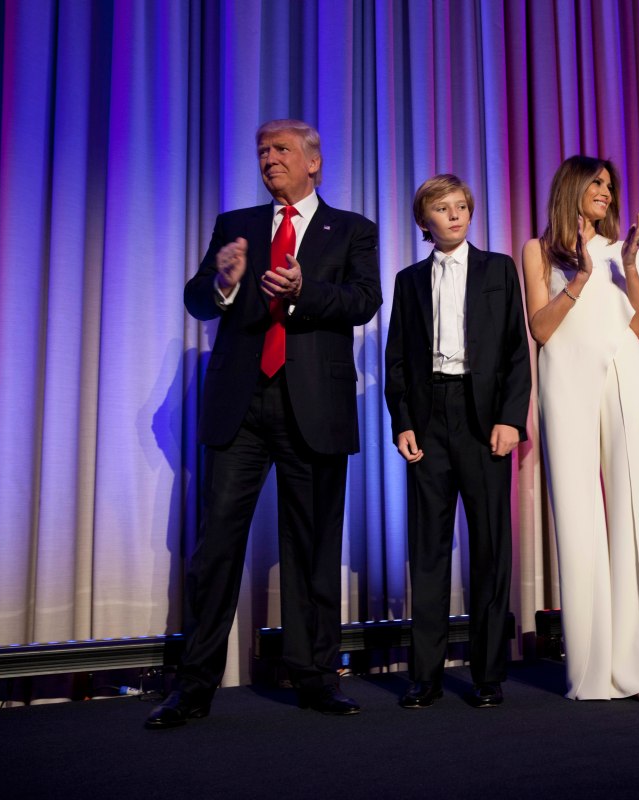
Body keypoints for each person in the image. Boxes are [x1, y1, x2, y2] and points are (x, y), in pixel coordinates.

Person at [146, 120, 381, 729]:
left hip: (314, 408)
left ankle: (316, 679)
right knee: (216, 548)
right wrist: (224, 284)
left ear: (313, 163)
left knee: (312, 549)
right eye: (262, 152)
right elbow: (197, 297)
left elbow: (363, 300)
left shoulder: (352, 230)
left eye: (280, 150)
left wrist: (306, 291)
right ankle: (194, 687)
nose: (269, 160)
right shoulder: (237, 226)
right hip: (241, 408)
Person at [522, 156, 639, 701]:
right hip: (566, 379)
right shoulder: (539, 251)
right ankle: (591, 668)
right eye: (597, 183)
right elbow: (541, 329)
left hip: (622, 373)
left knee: (633, 508)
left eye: (611, 185)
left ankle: (637, 664)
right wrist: (583, 277)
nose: (607, 192)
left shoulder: (621, 252)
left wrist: (629, 266)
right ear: (572, 187)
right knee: (578, 512)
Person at [384, 175, 531, 709]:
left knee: (491, 547)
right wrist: (403, 421)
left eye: (462, 206)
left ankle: (488, 673)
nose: (455, 215)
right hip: (429, 419)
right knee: (428, 550)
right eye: (442, 208)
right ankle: (425, 675)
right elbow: (397, 358)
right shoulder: (408, 280)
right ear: (424, 220)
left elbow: (517, 350)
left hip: (483, 417)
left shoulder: (498, 269)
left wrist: (511, 419)